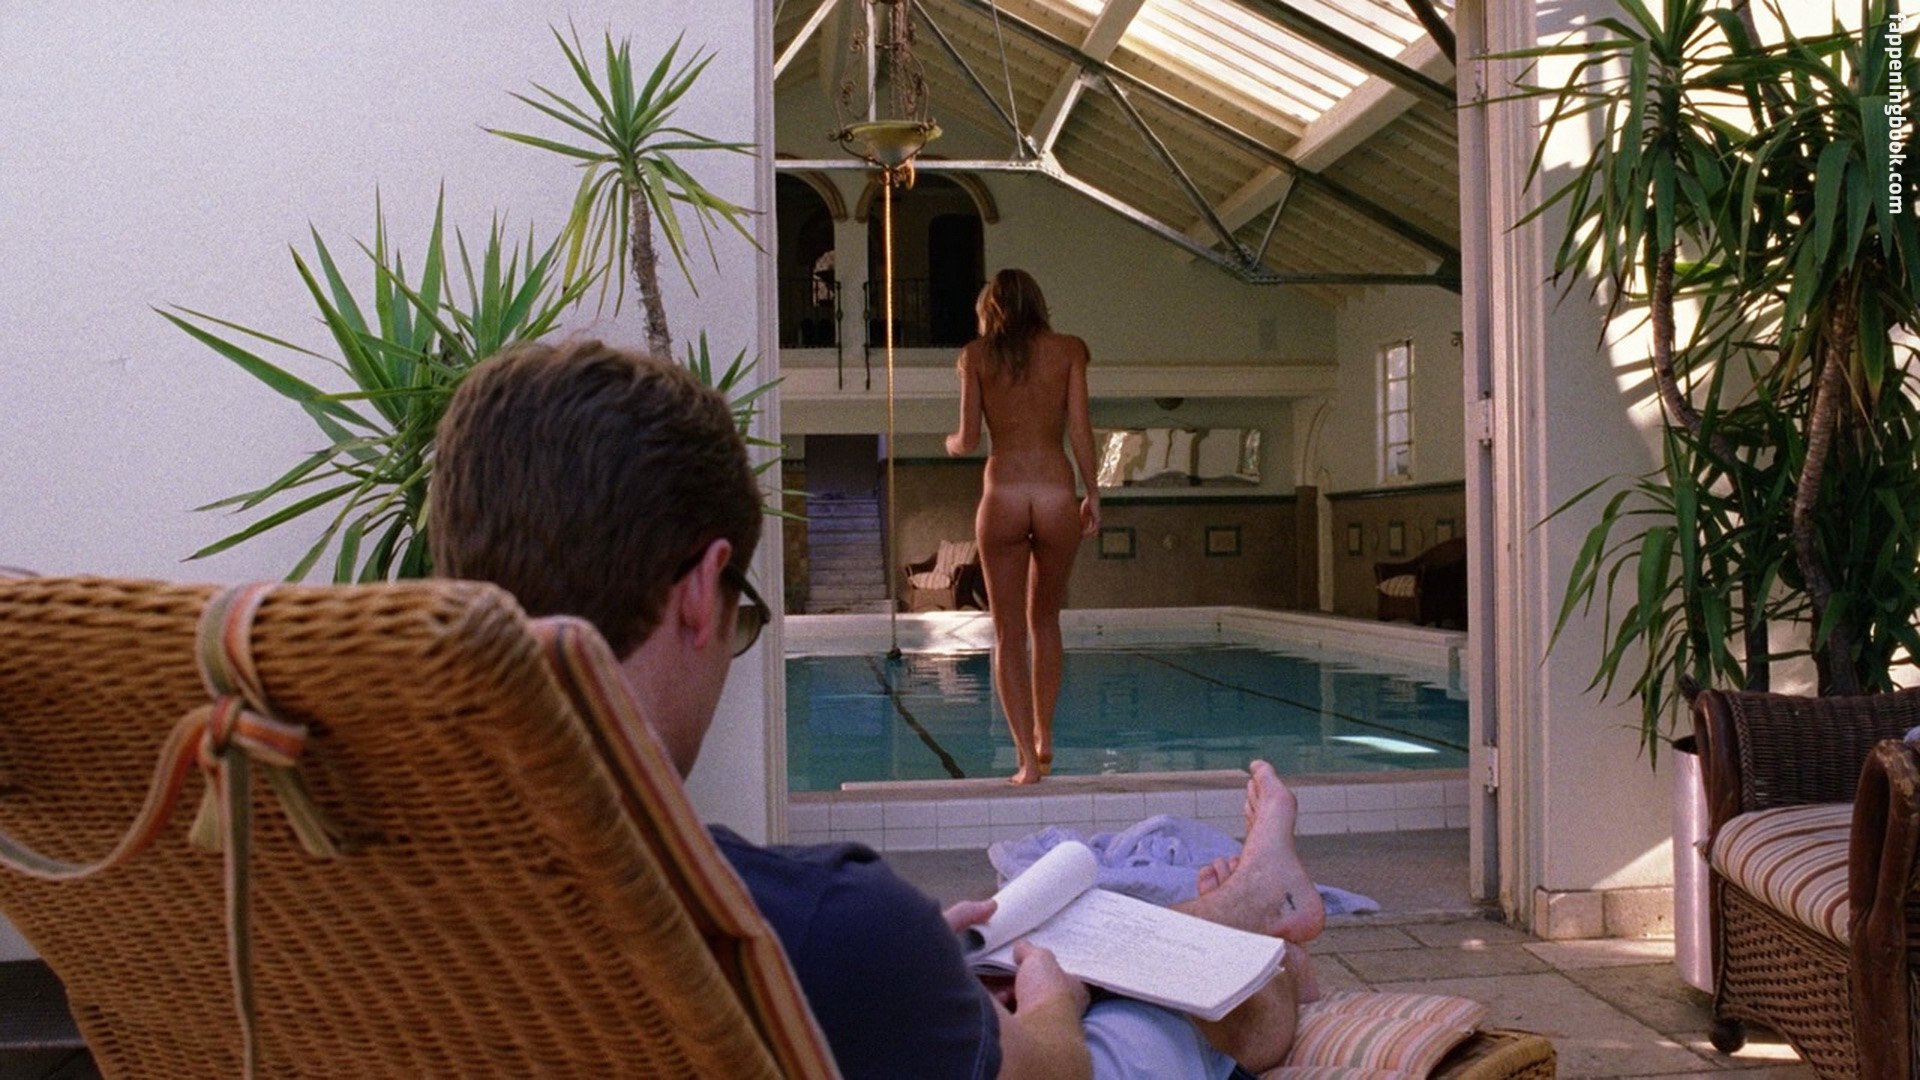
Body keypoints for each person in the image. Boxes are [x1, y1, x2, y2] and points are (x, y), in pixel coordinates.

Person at [429, 338, 1324, 1080]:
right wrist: (1053, 1000)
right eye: (742, 617)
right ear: (701, 594)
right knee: (1162, 1012)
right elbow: (1054, 1070)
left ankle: (1248, 912)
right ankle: (1260, 927)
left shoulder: (385, 903)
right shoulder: (818, 922)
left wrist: (909, 970)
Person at [945, 269, 1099, 784]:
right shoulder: (1070, 350)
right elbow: (1080, 429)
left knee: (1007, 632)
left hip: (1004, 496)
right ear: (1038, 302)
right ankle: (1045, 736)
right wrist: (1093, 492)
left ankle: (1026, 762)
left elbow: (968, 439)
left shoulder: (975, 356)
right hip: (1055, 493)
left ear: (989, 309)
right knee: (1046, 621)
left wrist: (951, 444)